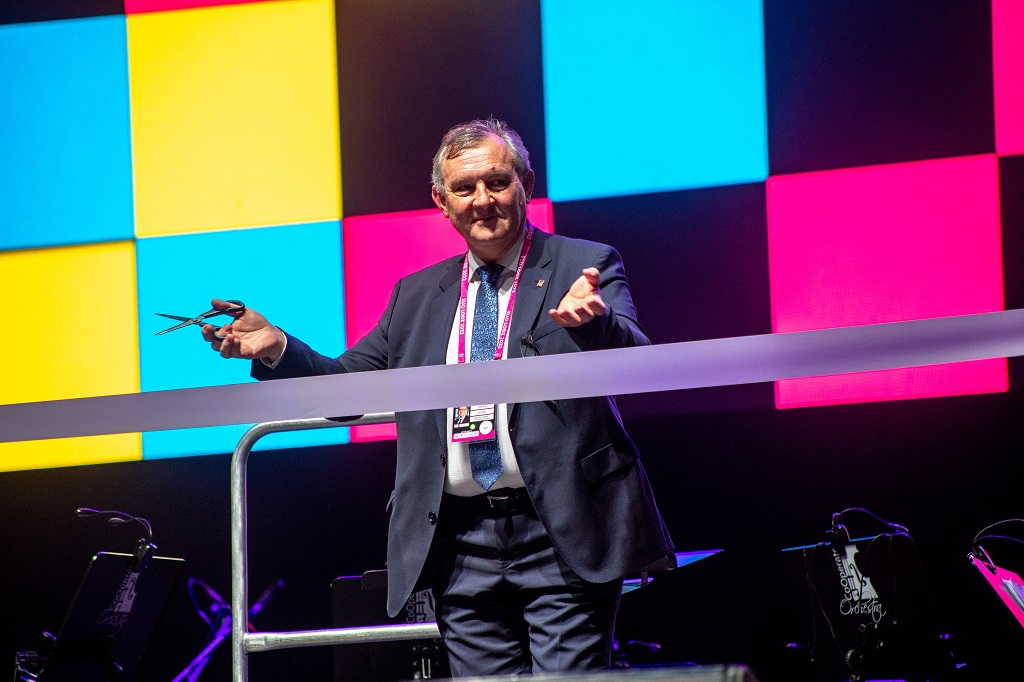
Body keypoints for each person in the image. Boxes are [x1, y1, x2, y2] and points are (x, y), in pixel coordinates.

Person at [202, 118, 674, 676]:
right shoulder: (416, 294)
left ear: (525, 183)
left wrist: (595, 322)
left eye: (497, 182)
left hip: (562, 529)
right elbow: (346, 390)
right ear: (441, 201)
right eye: (464, 188)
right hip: (459, 545)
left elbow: (636, 363)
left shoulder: (584, 263)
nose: (483, 200)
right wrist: (277, 347)